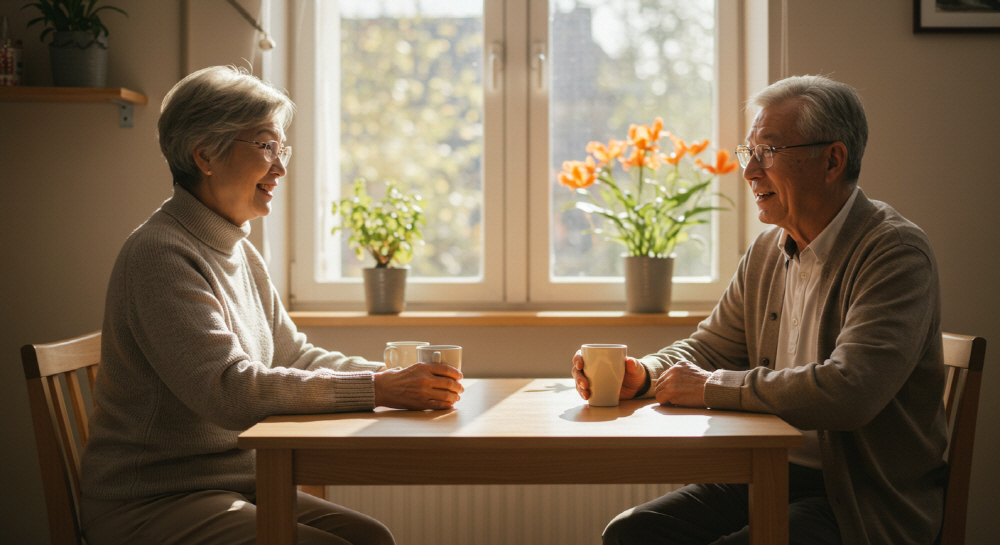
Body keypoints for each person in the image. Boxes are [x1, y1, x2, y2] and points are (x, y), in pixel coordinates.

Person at [79, 66, 464, 545]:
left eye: (282, 149)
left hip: (236, 485)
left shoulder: (237, 250)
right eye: (266, 146)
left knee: (371, 539)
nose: (280, 167)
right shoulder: (160, 254)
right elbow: (229, 391)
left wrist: (397, 377)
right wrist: (378, 388)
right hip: (153, 500)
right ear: (205, 155)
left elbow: (294, 356)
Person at [572, 75, 948, 545]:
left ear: (832, 160)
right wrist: (644, 374)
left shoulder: (894, 252)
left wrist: (712, 387)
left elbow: (851, 391)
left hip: (860, 500)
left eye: (767, 152)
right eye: (748, 152)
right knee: (631, 534)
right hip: (766, 473)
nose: (749, 171)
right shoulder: (768, 250)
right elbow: (711, 347)